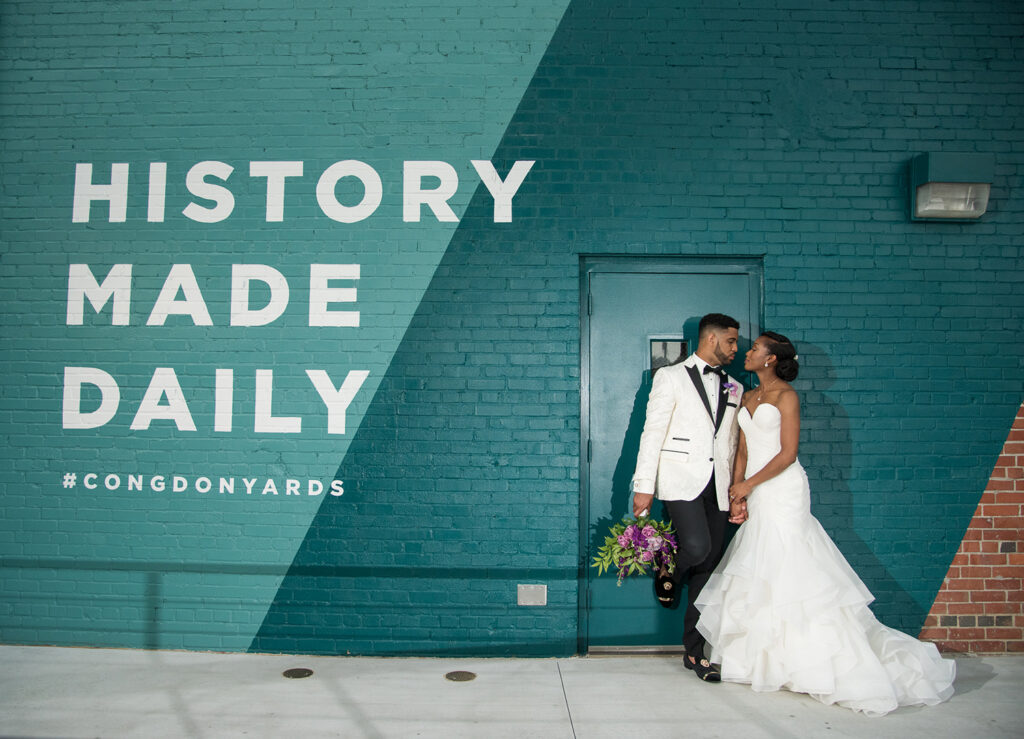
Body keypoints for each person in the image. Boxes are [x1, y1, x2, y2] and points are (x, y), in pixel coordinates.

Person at [695, 332, 956, 715]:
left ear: (770, 359)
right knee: (762, 565)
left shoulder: (787, 396)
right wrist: (739, 492)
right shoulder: (747, 396)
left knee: (793, 566)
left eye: (754, 349)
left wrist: (749, 483)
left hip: (784, 490)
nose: (747, 352)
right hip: (755, 491)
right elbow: (743, 450)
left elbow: (787, 453)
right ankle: (768, 660)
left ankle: (813, 659)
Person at [631, 313, 745, 682]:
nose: (735, 349)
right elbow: (653, 433)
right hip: (681, 480)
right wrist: (644, 485)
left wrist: (737, 490)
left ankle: (695, 653)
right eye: (731, 342)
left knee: (709, 565)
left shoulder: (735, 387)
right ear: (711, 339)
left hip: (718, 484)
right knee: (695, 549)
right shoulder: (670, 377)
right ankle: (669, 569)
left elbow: (729, 441)